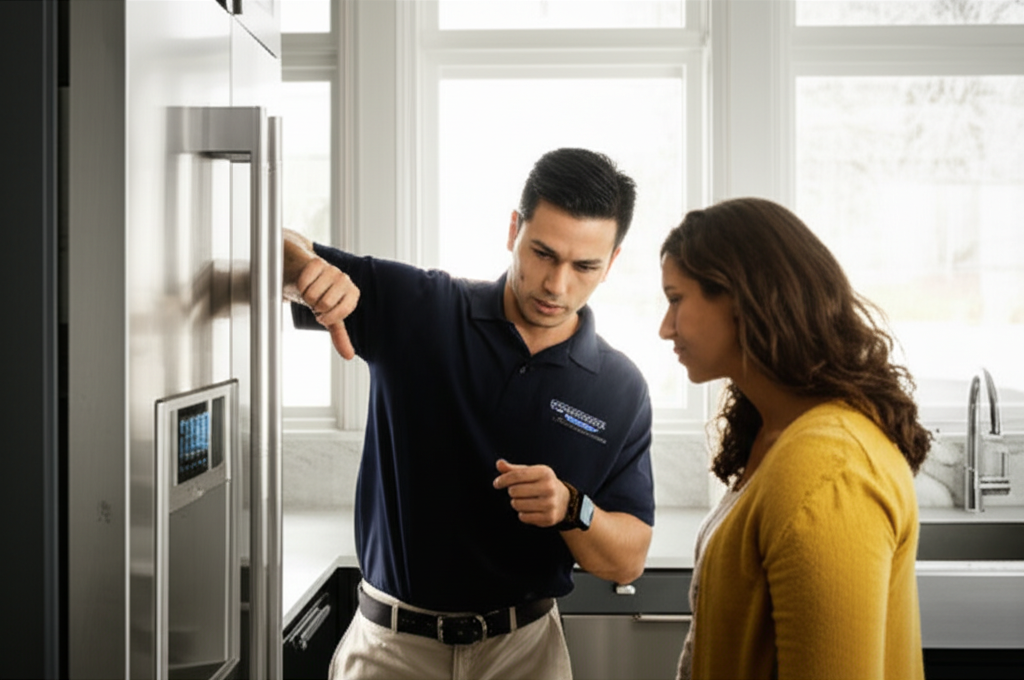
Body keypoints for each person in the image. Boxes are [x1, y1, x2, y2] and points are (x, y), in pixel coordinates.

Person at [283, 148, 655, 680]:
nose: (557, 284)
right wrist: (303, 271)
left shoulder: (621, 388)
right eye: (543, 253)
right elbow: (267, 245)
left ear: (612, 263)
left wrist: (573, 507)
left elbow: (628, 559)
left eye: (584, 266)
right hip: (391, 653)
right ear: (514, 230)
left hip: (525, 657)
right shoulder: (421, 309)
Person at [658, 197, 931, 680]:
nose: (665, 328)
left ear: (740, 297)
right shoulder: (779, 432)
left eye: (676, 299)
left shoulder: (827, 471)